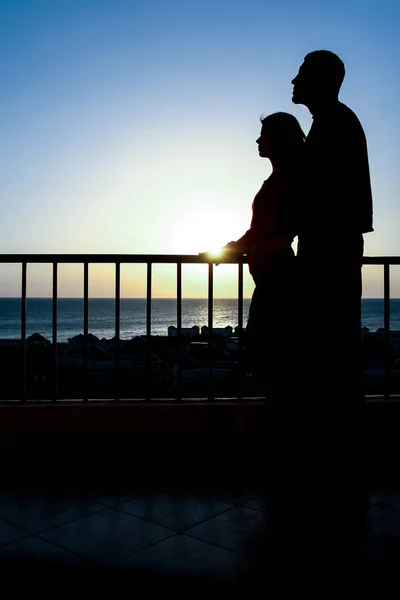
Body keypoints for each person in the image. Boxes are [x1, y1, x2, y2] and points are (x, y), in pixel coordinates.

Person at [290, 50, 374, 572]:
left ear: (321, 81)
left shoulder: (335, 125)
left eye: (300, 74)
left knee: (331, 349)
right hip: (329, 248)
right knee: (331, 348)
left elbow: (318, 190)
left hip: (331, 250)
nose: (293, 80)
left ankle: (335, 463)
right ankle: (337, 463)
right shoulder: (331, 124)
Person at [217, 112, 305, 399]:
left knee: (272, 363)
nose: (258, 139)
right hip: (272, 279)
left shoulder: (285, 178)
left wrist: (225, 250)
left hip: (277, 282)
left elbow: (263, 229)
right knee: (273, 362)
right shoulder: (282, 176)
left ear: (279, 139)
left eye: (264, 134)